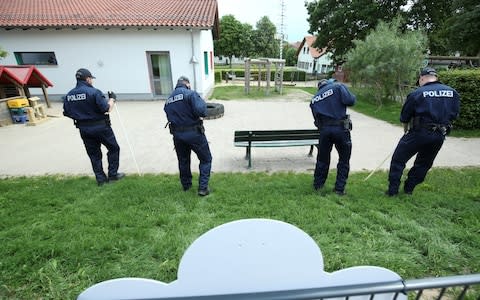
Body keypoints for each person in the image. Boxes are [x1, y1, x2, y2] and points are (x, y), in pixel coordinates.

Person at [386, 67, 460, 196]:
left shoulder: (417, 93)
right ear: (436, 78)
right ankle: (409, 189)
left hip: (418, 133)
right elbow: (454, 115)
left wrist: (406, 131)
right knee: (424, 163)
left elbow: (404, 117)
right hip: (439, 134)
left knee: (398, 160)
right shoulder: (453, 93)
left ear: (422, 78)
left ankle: (392, 191)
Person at [63, 68, 125, 186]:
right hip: (101, 127)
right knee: (113, 148)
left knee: (94, 154)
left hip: (84, 129)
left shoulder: (69, 95)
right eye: (91, 79)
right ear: (87, 79)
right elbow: (107, 108)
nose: (92, 81)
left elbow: (66, 112)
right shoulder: (94, 92)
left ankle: (101, 180)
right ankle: (112, 175)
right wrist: (112, 99)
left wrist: (81, 117)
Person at [164, 76, 212, 196]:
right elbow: (202, 111)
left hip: (177, 136)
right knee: (206, 159)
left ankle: (186, 186)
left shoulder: (168, 100)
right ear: (187, 84)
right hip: (194, 133)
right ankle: (203, 188)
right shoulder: (190, 94)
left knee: (183, 161)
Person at [310, 78, 356, 195]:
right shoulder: (338, 87)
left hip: (325, 131)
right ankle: (339, 189)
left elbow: (317, 121)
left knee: (322, 159)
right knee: (344, 160)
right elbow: (350, 100)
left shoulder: (314, 99)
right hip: (341, 129)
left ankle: (318, 185)